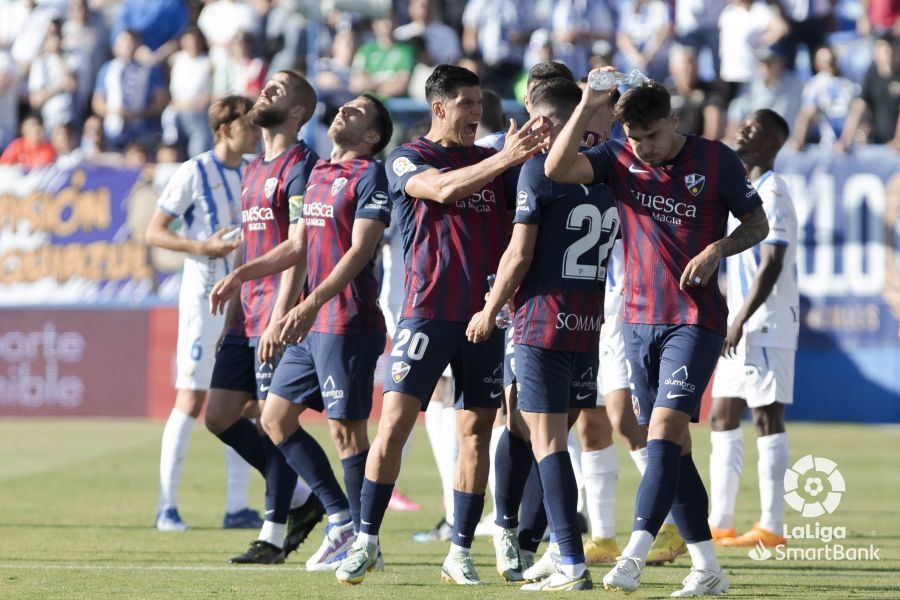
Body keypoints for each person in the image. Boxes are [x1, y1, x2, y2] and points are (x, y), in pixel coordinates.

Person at [545, 76, 770, 596]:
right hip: (639, 319)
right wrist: (587, 105)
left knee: (666, 428)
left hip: (695, 318)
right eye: (633, 136)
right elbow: (557, 168)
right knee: (672, 446)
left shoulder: (716, 161)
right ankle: (708, 568)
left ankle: (633, 555)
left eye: (650, 135)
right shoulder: (619, 157)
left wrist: (719, 248)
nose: (642, 148)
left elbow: (757, 224)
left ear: (674, 121)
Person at [334, 64, 548, 586]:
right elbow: (444, 191)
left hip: (483, 315)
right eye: (467, 104)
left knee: (475, 430)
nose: (477, 114)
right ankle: (366, 538)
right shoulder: (409, 158)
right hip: (427, 311)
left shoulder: (495, 163)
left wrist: (523, 157)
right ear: (439, 108)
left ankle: (459, 549)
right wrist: (506, 158)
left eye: (480, 104)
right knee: (395, 425)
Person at [209, 93, 395, 572]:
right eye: (344, 106)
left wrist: (310, 303)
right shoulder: (319, 175)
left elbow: (359, 253)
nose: (344, 112)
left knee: (347, 434)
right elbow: (296, 246)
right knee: (274, 418)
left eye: (357, 111)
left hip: (346, 321)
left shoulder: (370, 174)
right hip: (310, 323)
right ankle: (339, 517)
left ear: (372, 136)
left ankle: (364, 539)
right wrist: (242, 275)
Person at [467, 76, 618, 591]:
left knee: (546, 439)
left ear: (546, 124)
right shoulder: (608, 173)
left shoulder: (539, 171)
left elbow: (519, 254)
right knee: (545, 433)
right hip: (588, 322)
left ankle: (568, 558)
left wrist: (488, 309)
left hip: (541, 320)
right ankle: (539, 542)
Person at [203, 70, 323, 565]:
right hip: (244, 316)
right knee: (219, 416)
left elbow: (299, 251)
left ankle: (272, 534)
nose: (266, 90)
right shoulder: (253, 167)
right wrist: (231, 316)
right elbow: (245, 249)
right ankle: (303, 497)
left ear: (297, 112)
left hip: (277, 313)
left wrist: (279, 317)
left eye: (279, 88)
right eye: (266, 84)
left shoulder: (303, 166)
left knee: (274, 421)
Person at [145, 95, 263, 532]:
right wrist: (202, 247)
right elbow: (154, 231)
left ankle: (237, 506)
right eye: (246, 124)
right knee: (192, 398)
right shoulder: (194, 171)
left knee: (241, 400)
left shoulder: (254, 170)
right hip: (202, 299)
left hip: (245, 301)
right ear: (223, 129)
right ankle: (166, 506)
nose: (254, 131)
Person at [708, 109, 797, 549]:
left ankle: (771, 525)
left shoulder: (775, 190)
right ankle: (719, 522)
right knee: (721, 414)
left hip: (765, 321)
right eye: (742, 123)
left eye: (753, 129)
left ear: (772, 145)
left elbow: (773, 263)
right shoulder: (745, 191)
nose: (741, 130)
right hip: (737, 323)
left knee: (766, 414)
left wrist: (741, 316)